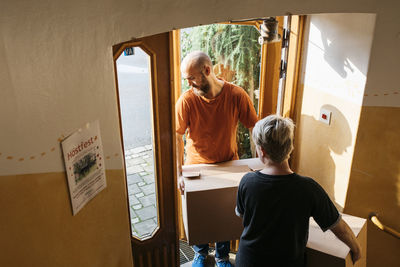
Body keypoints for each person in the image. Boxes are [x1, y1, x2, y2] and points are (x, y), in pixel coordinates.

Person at [235, 115, 362, 267]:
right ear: (290, 146)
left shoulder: (247, 182)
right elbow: (339, 228)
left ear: (261, 150)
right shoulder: (309, 188)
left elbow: (244, 217)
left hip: (248, 261)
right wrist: (356, 249)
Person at [176, 51, 258, 267]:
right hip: (197, 168)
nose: (189, 83)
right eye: (187, 79)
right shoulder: (186, 100)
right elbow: (176, 137)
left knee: (225, 214)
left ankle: (222, 256)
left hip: (227, 166)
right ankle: (200, 253)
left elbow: (254, 128)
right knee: (200, 216)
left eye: (192, 78)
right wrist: (178, 174)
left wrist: (260, 166)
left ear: (207, 70)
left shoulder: (236, 95)